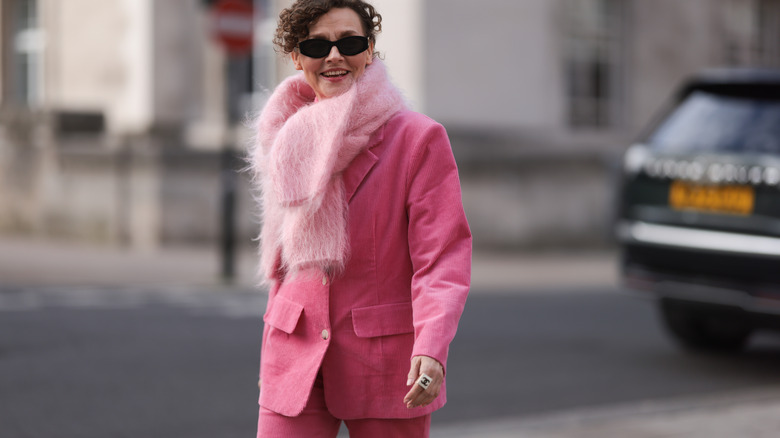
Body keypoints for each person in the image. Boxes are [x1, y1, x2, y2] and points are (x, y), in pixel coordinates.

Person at [248, 0, 471, 436]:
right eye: (317, 45)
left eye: (349, 42)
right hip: (293, 354)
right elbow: (282, 262)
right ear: (297, 57)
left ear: (369, 50)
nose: (333, 56)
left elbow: (442, 258)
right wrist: (273, 356)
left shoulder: (418, 139)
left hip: (387, 363)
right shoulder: (282, 136)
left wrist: (432, 346)